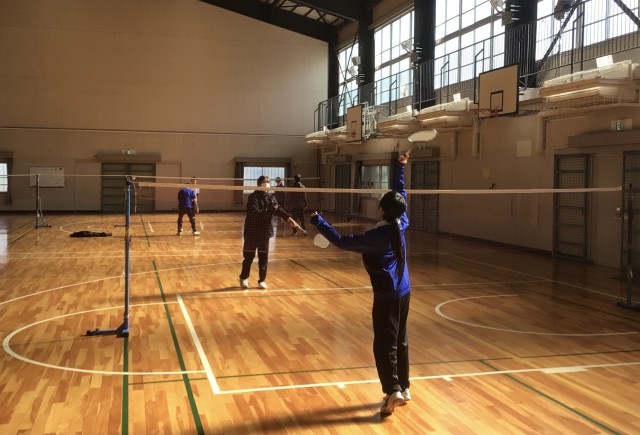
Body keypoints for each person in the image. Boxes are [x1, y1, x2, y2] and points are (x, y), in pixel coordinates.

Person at [310, 152, 411, 417]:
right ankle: (404, 386)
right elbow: (400, 194)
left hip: (387, 296)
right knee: (400, 340)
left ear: (381, 209)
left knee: (384, 345)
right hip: (404, 292)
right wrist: (400, 166)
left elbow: (343, 242)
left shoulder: (377, 237)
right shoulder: (402, 222)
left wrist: (319, 221)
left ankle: (393, 390)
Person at [240, 175, 302, 290]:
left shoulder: (271, 197)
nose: (267, 184)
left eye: (268, 181)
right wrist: (270, 210)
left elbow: (279, 210)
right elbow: (255, 213)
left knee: (263, 258)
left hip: (265, 232)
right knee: (249, 257)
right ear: (259, 184)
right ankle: (244, 278)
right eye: (265, 182)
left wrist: (290, 219)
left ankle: (262, 280)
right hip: (252, 232)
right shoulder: (253, 197)